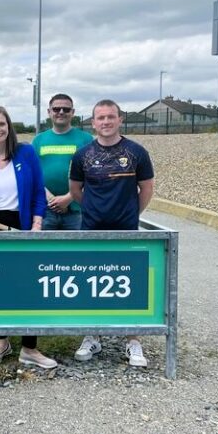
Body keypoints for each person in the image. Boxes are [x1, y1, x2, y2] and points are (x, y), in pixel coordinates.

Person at [0, 106, 56, 370]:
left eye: (1, 124)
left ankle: (29, 348)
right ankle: (2, 341)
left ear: (9, 127)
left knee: (28, 286)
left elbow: (39, 191)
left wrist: (37, 223)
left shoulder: (26, 153)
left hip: (24, 224)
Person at [69, 99, 155, 367]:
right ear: (93, 123)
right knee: (92, 281)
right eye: (100, 118)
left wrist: (129, 214)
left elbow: (147, 189)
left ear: (120, 120)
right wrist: (96, 211)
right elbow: (75, 190)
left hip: (126, 229)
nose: (105, 122)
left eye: (110, 117)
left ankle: (133, 341)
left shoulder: (136, 152)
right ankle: (92, 335)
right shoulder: (82, 155)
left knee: (128, 284)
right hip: (92, 228)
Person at [32, 94, 93, 230]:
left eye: (66, 109)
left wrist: (69, 198)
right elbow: (33, 174)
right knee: (46, 250)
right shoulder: (38, 140)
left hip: (77, 210)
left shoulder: (86, 140)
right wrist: (51, 199)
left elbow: (92, 174)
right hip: (46, 209)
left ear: (73, 112)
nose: (61, 112)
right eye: (56, 109)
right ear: (49, 112)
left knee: (77, 250)